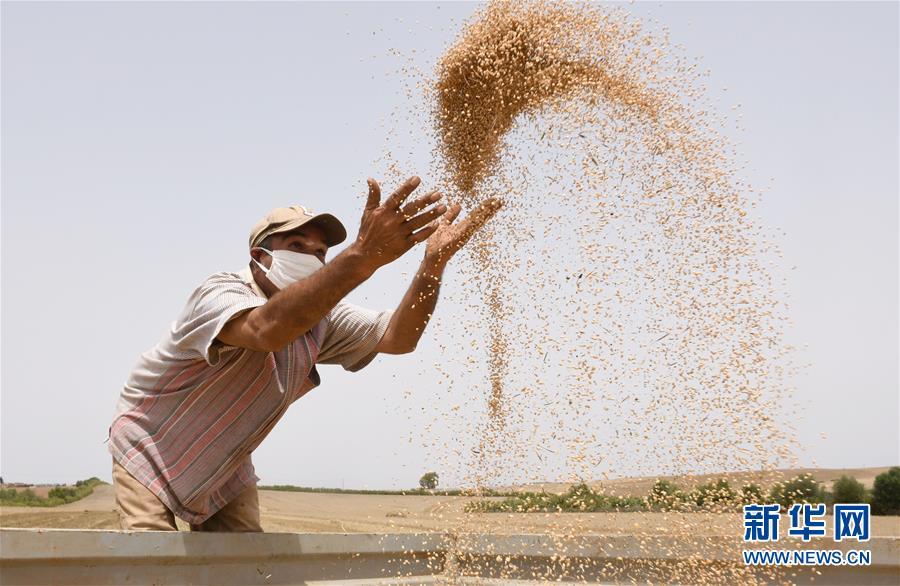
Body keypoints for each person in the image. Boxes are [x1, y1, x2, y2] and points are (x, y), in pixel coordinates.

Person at [107, 176, 501, 531]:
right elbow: (266, 330)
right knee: (153, 563)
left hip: (225, 462)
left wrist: (433, 265)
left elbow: (399, 338)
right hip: (154, 446)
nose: (311, 256)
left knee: (242, 569)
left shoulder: (321, 318)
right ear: (260, 256)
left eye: (320, 251)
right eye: (296, 246)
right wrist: (362, 256)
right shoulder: (220, 292)